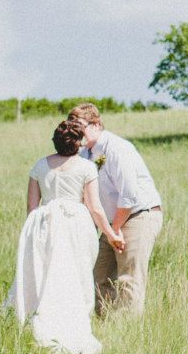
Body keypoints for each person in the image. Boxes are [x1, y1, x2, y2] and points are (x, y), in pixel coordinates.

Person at [4, 113, 125, 354]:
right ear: (78, 142)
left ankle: (39, 316)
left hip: (45, 224)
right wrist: (111, 234)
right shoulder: (86, 167)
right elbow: (95, 208)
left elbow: (31, 207)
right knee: (75, 273)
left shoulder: (39, 165)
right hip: (74, 226)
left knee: (46, 272)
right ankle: (70, 320)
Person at [70, 103, 164, 317]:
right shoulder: (84, 154)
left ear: (95, 124)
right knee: (98, 276)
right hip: (112, 222)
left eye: (79, 126)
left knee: (129, 278)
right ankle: (107, 325)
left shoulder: (117, 148)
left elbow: (129, 196)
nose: (76, 132)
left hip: (138, 215)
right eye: (72, 126)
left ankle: (128, 331)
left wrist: (115, 230)